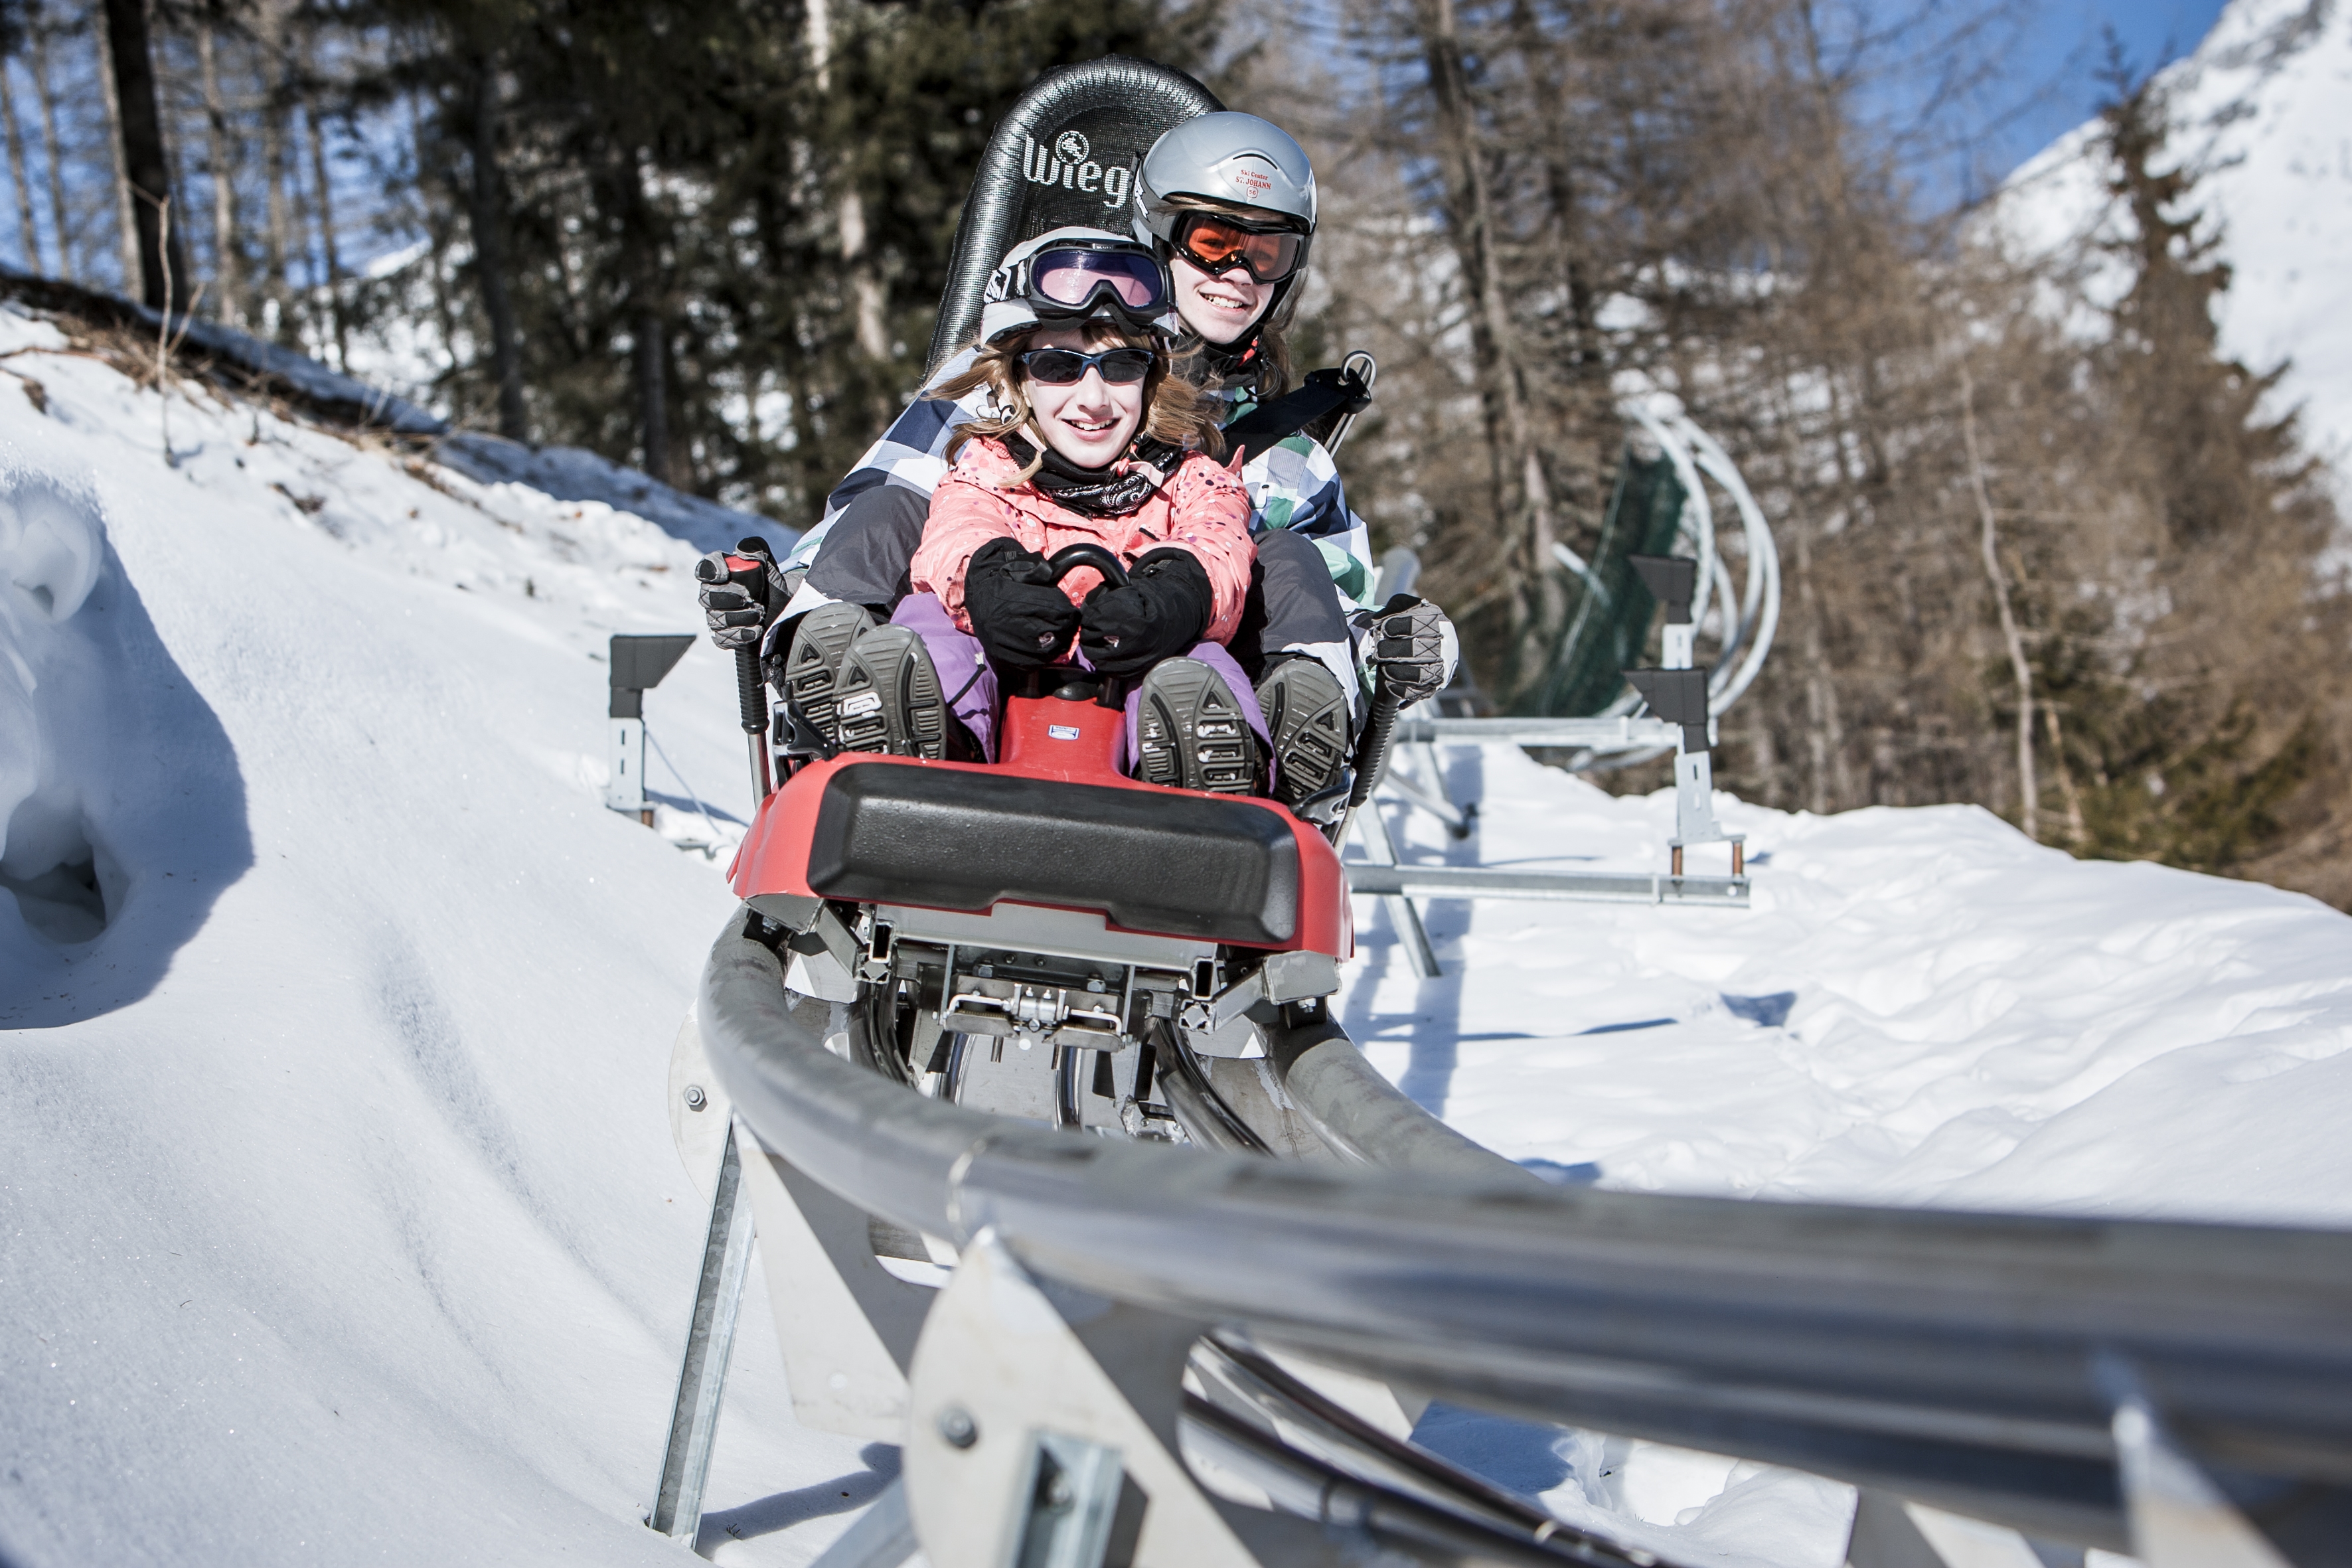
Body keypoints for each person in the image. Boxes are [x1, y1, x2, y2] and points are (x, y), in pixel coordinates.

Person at [704, 110, 1456, 807]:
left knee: (1283, 554)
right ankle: (841, 671)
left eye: (1267, 252)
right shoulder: (1007, 386)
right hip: (991, 664)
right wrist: (791, 589)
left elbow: (1334, 591)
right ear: (1160, 231)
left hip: (1163, 677)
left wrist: (1389, 647)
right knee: (904, 505)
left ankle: (1256, 735)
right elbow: (879, 507)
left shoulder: (1283, 458)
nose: (1237, 274)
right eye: (1214, 242)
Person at [776, 228, 1274, 793]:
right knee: (929, 620)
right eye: (1060, 368)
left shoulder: (1193, 478)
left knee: (1199, 661)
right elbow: (958, 531)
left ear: (1152, 380)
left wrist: (1179, 592)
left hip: (1136, 671)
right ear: (1017, 379)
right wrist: (990, 578)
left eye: (1121, 368)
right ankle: (920, 726)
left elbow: (1219, 541)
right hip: (1007, 685)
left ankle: (1205, 759)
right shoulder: (988, 468)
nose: (1093, 398)